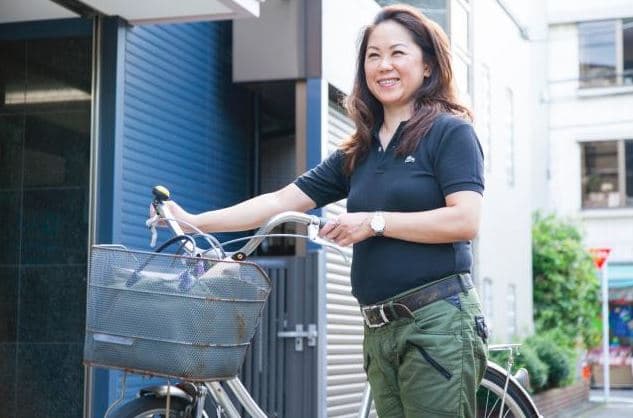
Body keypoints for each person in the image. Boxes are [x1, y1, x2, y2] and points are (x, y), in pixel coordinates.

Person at [159, 4, 487, 417]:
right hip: (379, 330)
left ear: (427, 66)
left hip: (437, 322)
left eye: (397, 53)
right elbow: (280, 201)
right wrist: (194, 220)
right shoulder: (360, 150)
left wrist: (374, 223)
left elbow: (466, 220)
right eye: (373, 55)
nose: (384, 65)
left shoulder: (449, 132)